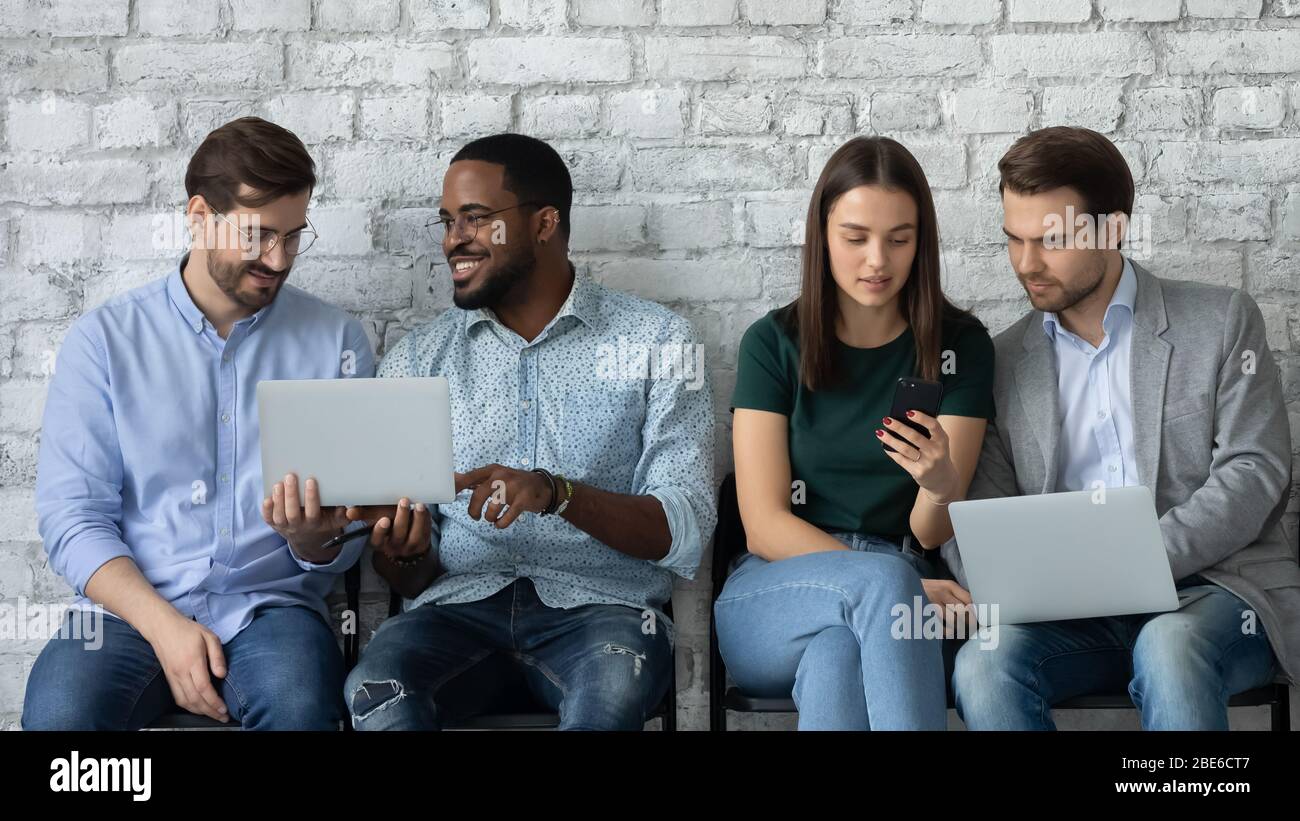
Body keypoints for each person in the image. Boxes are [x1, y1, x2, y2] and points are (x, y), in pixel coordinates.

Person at [343, 133, 716, 731]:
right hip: (454, 611)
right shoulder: (418, 359)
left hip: (605, 613)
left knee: (611, 700)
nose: (452, 240)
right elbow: (408, 574)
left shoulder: (658, 343)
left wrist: (555, 492)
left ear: (545, 223)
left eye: (476, 218)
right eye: (447, 221)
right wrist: (403, 552)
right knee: (376, 691)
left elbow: (686, 528)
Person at [22, 117, 375, 731]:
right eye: (260, 235)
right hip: (125, 614)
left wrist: (313, 541)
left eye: (294, 237)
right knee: (61, 721)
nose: (279, 259)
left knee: (301, 709)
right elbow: (73, 518)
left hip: (271, 612)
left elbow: (348, 537)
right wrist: (164, 628)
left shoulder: (336, 343)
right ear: (200, 215)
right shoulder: (104, 342)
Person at [947, 126, 1299, 730]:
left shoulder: (1220, 321)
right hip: (1068, 612)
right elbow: (983, 509)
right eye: (1014, 239)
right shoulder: (1001, 362)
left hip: (1211, 593)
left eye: (1051, 240)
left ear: (1113, 229)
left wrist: (1134, 561)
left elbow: (1254, 469)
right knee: (983, 663)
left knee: (1169, 648)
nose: (1026, 264)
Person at [715, 136, 996, 730]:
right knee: (882, 586)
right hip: (778, 586)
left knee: (839, 659)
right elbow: (764, 525)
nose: (878, 260)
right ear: (821, 235)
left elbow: (928, 530)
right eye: (856, 238)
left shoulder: (959, 345)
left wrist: (941, 483)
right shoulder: (773, 344)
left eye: (899, 239)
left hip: (904, 587)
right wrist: (889, 583)